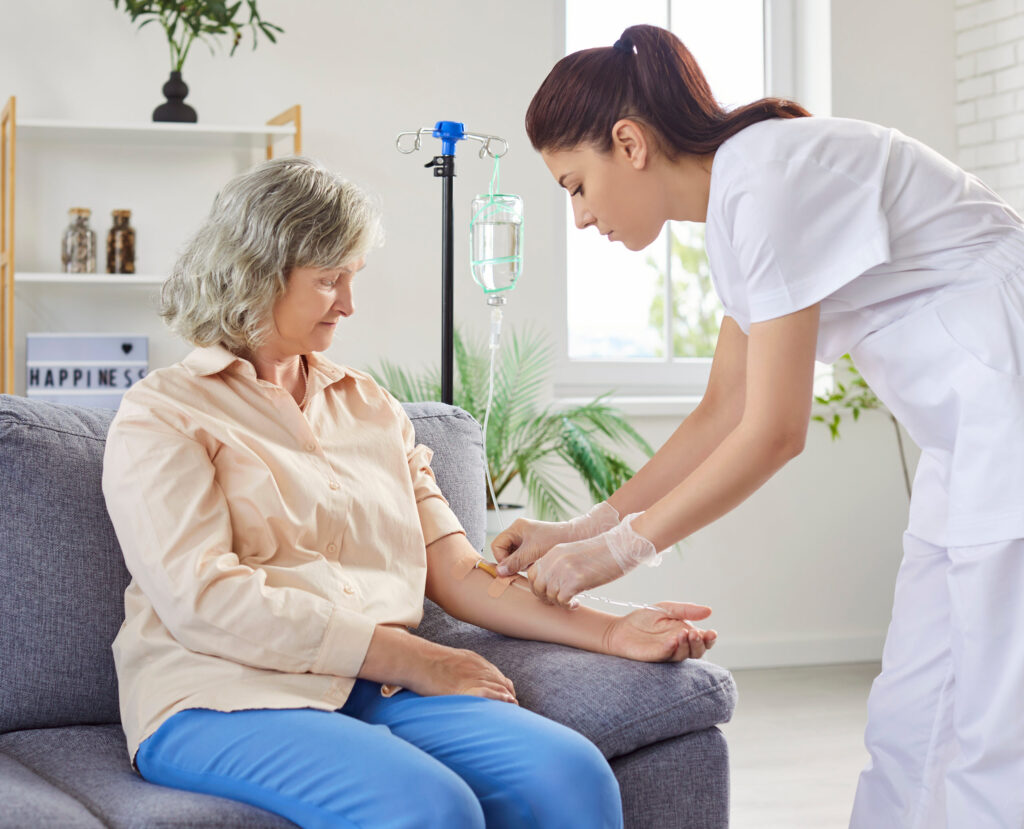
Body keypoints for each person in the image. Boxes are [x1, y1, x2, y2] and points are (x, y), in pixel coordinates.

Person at [491, 22, 1024, 829]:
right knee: (916, 709)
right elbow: (722, 410)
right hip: (970, 439)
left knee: (995, 727)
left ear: (627, 143)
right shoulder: (742, 196)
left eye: (574, 185)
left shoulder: (764, 182)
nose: (580, 216)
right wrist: (583, 527)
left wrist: (617, 551)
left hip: (1007, 418)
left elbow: (776, 429)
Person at [101, 155, 717, 829]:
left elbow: (459, 573)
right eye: (328, 280)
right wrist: (419, 658)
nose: (349, 303)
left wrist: (614, 629)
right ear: (255, 273)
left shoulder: (372, 408)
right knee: (431, 806)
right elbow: (205, 601)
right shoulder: (163, 413)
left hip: (375, 687)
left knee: (569, 774)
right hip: (221, 694)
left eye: (352, 277)